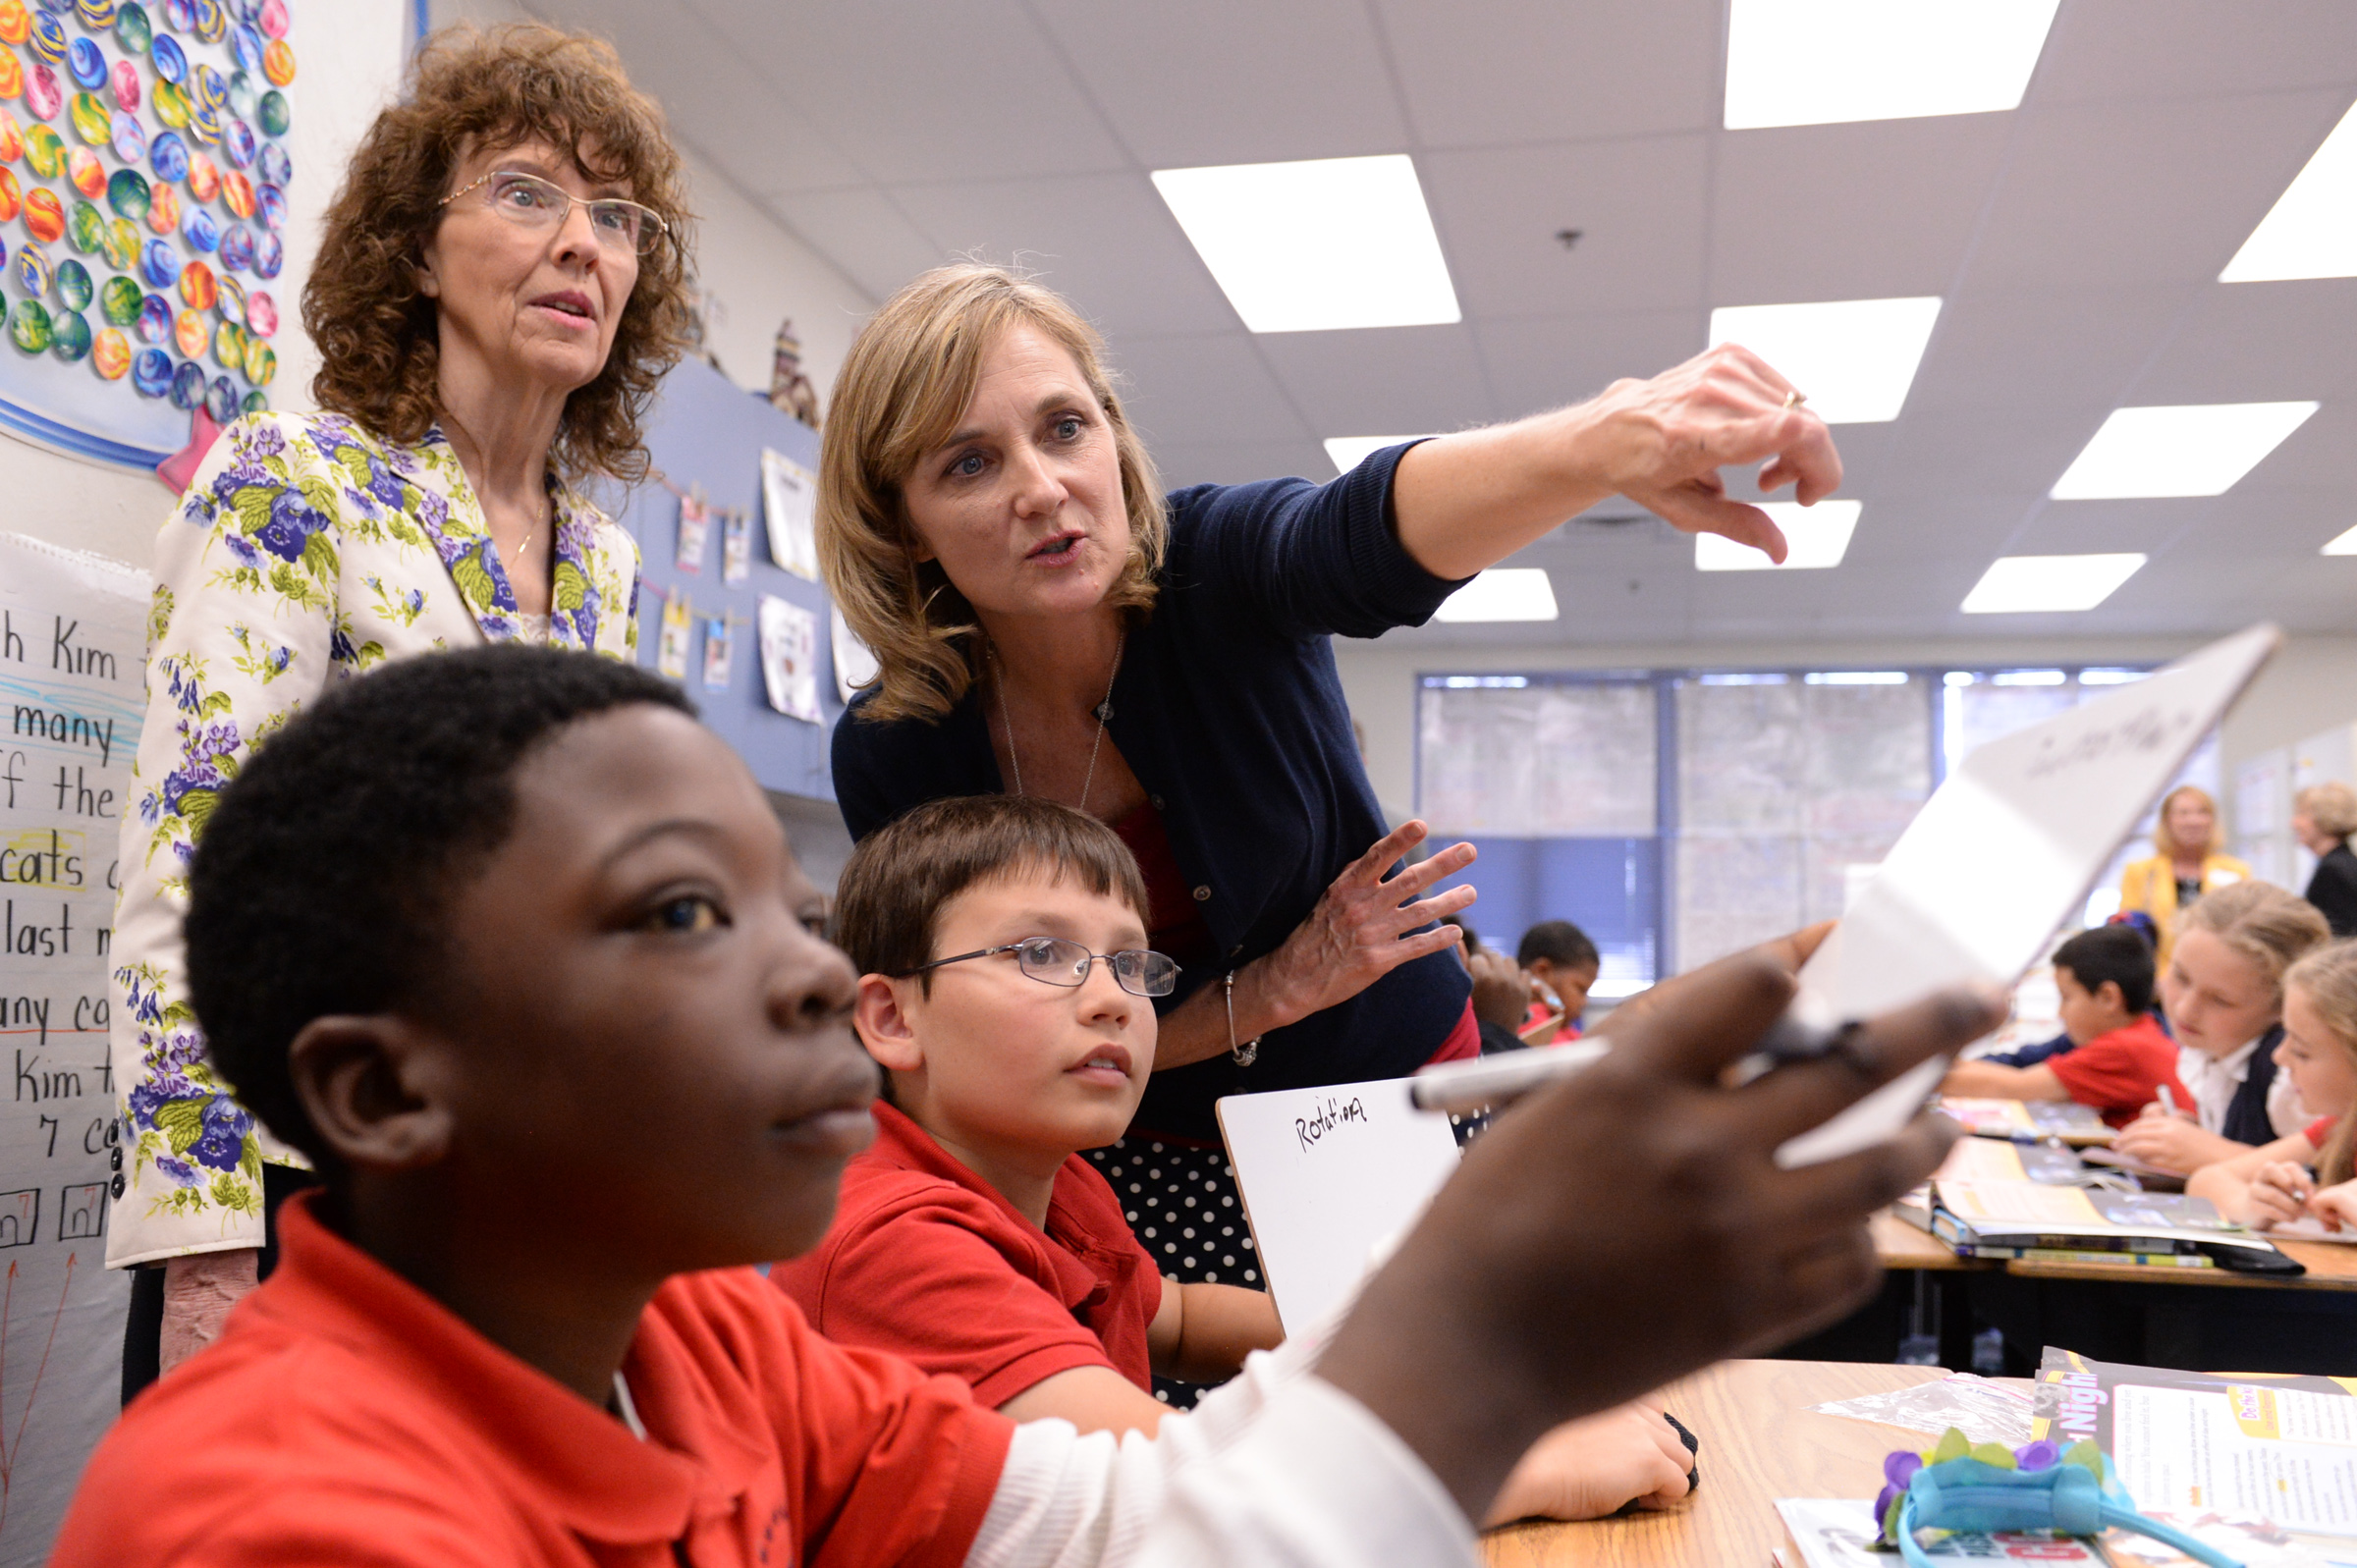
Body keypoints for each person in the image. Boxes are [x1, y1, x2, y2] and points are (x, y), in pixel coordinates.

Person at [52, 645, 1997, 1564]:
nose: (810, 970)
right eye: (677, 912)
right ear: (389, 1090)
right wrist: (1490, 1328)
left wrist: (1496, 1319)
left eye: (780, 902)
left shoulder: (707, 1334)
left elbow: (1138, 1521)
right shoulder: (290, 1517)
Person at [818, 263, 1841, 1276]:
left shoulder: (1216, 571)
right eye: (968, 464)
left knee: (1444, 1404)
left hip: (1382, 1098)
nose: (1042, 489)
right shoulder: (899, 748)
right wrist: (1264, 994)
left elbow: (1352, 537)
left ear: (1112, 433)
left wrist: (1601, 442)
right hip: (1130, 1153)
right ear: (904, 527)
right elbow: (963, 1043)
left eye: (1064, 427)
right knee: (1193, 1422)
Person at [107, 22, 687, 1390]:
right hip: (298, 1190)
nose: (583, 244)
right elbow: (189, 872)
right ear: (416, 252)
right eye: (527, 191)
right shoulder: (291, 483)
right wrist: (206, 1252)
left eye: (617, 216)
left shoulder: (604, 563)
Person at [777, 793, 1696, 1525]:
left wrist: (1437, 1348)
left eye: (1133, 965)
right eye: (1044, 953)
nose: (1112, 1000)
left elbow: (1176, 1315)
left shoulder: (1056, 1183)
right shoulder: (892, 1239)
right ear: (894, 1017)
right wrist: (1504, 1458)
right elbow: (1162, 1499)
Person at [2111, 882, 2330, 1174]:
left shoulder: (2289, 1078)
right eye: (2180, 977)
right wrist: (2190, 1135)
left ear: (2281, 1008)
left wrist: (2211, 1152)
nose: (2184, 1009)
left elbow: (2330, 1176)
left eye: (2220, 1001)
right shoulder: (2209, 1050)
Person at [1939, 926, 2186, 1128]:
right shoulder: (2143, 1033)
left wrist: (1919, 1075)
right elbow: (2012, 1076)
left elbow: (2013, 1087)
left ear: (2108, 998)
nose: (2060, 1012)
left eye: (2066, 997)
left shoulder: (2125, 1049)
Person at [2185, 941, 2357, 1229]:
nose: (2280, 1056)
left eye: (2302, 1051)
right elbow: (2207, 1181)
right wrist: (2255, 1204)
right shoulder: (2341, 1129)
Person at [2117, 785, 2250, 973]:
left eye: (2202, 812)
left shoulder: (2237, 871)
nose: (2193, 820)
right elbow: (2129, 935)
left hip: (2217, 977)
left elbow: (2244, 931)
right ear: (2167, 821)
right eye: (2183, 813)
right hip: (2156, 983)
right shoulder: (2140, 872)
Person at [1519, 920, 1603, 1045]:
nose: (1584, 1002)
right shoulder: (1529, 1020)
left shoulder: (1563, 1026)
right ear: (1541, 972)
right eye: (1580, 989)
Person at [2293, 782, 2357, 939]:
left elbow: (2339, 937)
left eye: (2302, 814)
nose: (2294, 823)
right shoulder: (2342, 862)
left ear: (2325, 817)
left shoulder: (2334, 870)